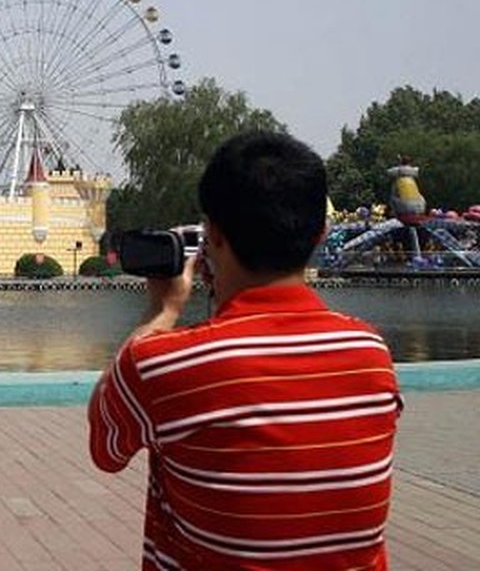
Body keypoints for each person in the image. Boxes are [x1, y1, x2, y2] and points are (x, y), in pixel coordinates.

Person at [88, 131, 402, 570]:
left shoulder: (162, 363)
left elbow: (106, 450)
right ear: (320, 235)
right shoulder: (371, 352)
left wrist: (161, 312)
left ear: (213, 234)